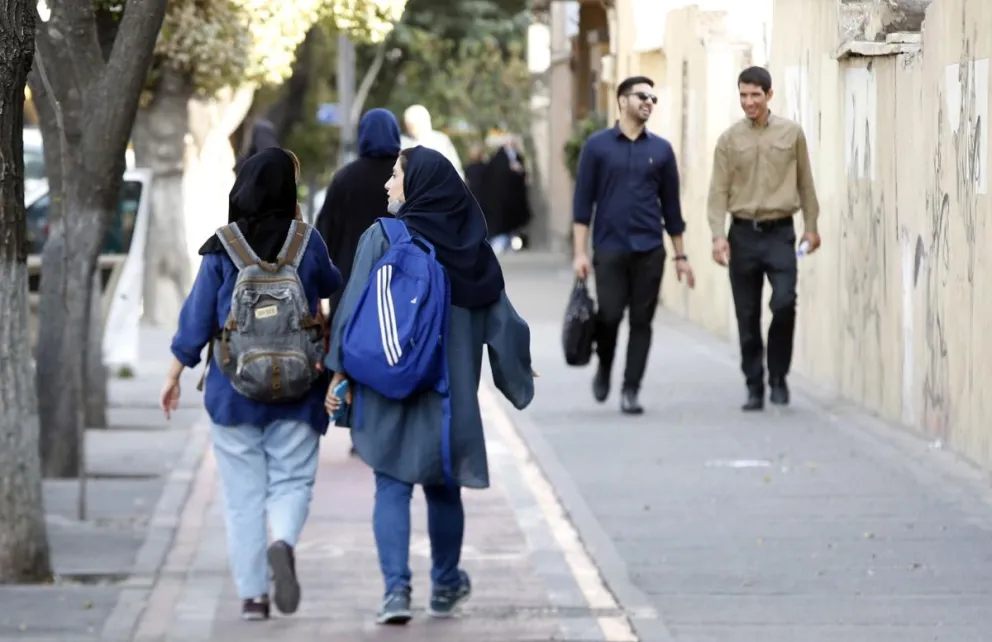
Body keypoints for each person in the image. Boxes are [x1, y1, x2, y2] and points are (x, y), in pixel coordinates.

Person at [324, 146, 535, 624]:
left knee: (391, 485)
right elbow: (504, 323)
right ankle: (444, 585)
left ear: (418, 185)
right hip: (448, 396)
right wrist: (518, 373)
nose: (387, 184)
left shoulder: (382, 237)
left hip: (387, 385)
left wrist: (339, 374)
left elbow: (352, 310)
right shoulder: (472, 252)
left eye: (396, 176)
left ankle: (396, 593)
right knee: (443, 489)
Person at [160, 148, 342, 621]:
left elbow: (198, 317)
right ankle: (282, 541)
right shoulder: (307, 242)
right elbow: (330, 284)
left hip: (233, 391)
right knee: (292, 481)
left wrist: (176, 371)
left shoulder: (223, 246)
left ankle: (254, 596)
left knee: (242, 498)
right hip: (301, 390)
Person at [572, 75, 695, 415]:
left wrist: (681, 255)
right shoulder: (597, 147)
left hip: (650, 249)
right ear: (622, 100)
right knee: (609, 315)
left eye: (653, 99)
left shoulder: (661, 150)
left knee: (642, 321)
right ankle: (605, 365)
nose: (649, 103)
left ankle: (631, 389)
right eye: (642, 96)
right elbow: (583, 204)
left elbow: (672, 209)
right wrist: (580, 253)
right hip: (609, 248)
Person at [707, 65, 821, 411]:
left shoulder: (792, 133)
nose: (748, 102)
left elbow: (805, 183)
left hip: (780, 233)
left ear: (769, 95)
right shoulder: (729, 140)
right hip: (741, 233)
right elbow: (718, 191)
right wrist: (717, 236)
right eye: (743, 95)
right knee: (747, 314)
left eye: (755, 95)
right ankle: (754, 384)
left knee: (784, 302)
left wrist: (811, 226)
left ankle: (778, 376)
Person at [315, 108, 401, 454]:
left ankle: (359, 429)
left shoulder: (344, 179)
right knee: (391, 351)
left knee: (354, 355)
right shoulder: (403, 176)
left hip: (350, 285)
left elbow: (323, 236)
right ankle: (390, 426)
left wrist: (323, 286)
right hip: (396, 284)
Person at [484, 134, 532, 255]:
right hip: (501, 200)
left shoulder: (518, 157)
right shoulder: (497, 160)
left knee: (514, 224)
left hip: (515, 198)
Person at [401, 105, 464, 179]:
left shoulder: (441, 141)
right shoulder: (402, 142)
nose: (411, 129)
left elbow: (455, 169)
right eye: (409, 126)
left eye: (413, 125)